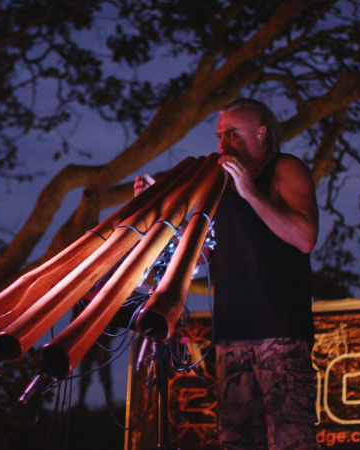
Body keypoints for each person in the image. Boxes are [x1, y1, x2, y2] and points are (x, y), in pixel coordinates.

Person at [134, 97, 318, 450]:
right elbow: (199, 254)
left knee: (290, 438)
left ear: (261, 133)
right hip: (231, 334)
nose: (222, 144)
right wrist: (155, 207)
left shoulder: (285, 168)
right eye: (219, 136)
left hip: (279, 333)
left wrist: (250, 192)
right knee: (235, 441)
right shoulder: (219, 185)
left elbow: (305, 237)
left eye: (232, 134)